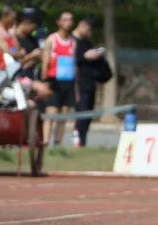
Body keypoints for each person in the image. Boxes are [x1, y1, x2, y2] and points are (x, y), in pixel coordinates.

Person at [41, 10, 77, 145]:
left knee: (63, 116)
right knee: (51, 114)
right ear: (59, 22)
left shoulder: (73, 41)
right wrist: (44, 82)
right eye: (65, 20)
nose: (68, 23)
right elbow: (45, 62)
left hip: (68, 82)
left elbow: (75, 65)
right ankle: (45, 142)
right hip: (54, 81)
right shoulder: (52, 39)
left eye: (71, 20)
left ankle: (58, 143)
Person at [73, 17, 108, 147]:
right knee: (81, 112)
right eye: (89, 29)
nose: (90, 32)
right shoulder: (72, 41)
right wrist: (84, 56)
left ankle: (82, 141)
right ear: (81, 25)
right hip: (78, 83)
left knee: (88, 113)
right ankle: (77, 139)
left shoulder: (87, 42)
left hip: (90, 82)